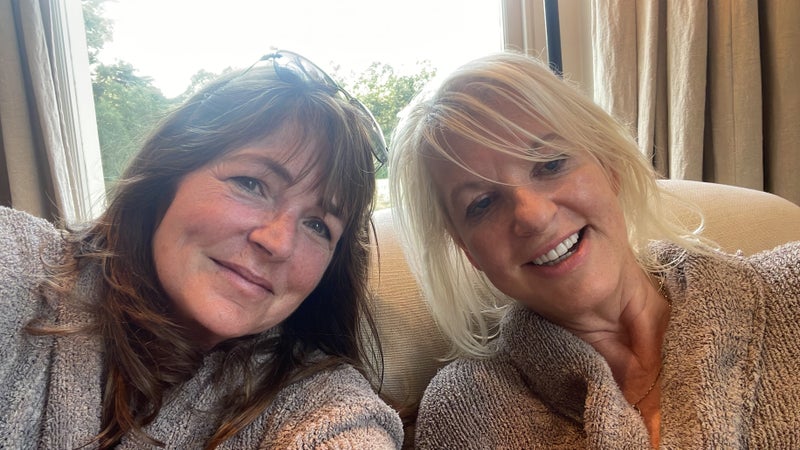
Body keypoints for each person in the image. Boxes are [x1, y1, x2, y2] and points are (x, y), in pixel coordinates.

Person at [389, 51, 800, 448]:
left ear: (609, 166)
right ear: (467, 248)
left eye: (550, 164)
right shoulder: (468, 412)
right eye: (482, 203)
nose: (533, 216)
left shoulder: (791, 285)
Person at [0, 50, 403, 449]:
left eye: (317, 225)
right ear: (169, 174)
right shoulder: (21, 264)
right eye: (251, 184)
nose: (278, 242)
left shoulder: (323, 405)